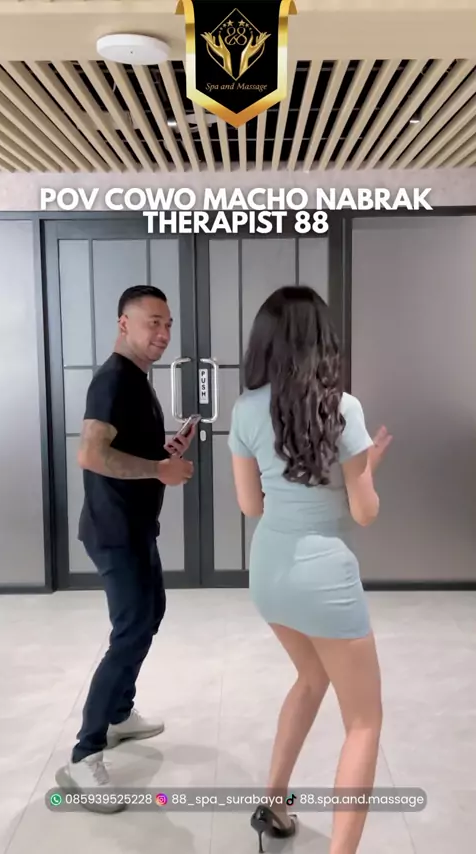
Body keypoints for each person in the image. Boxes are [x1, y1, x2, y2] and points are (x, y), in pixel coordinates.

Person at [228, 286, 392, 854]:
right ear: (323, 341)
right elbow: (364, 512)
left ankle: (274, 803)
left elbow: (250, 505)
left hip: (269, 573)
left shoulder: (245, 409)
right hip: (324, 579)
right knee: (364, 722)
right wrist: (364, 469)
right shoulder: (343, 408)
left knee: (311, 677)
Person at [56, 285, 195, 812]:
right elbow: (91, 455)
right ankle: (84, 754)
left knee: (150, 612)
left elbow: (122, 447)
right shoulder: (113, 378)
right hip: (114, 531)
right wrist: (159, 468)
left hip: (136, 526)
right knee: (131, 628)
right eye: (153, 322)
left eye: (168, 324)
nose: (163, 334)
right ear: (124, 324)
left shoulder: (138, 379)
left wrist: (162, 452)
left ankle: (119, 715)